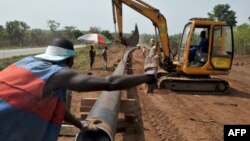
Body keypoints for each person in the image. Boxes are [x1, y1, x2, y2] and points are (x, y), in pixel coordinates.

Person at [0, 37, 158, 141]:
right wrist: (147, 77)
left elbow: (54, 108)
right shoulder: (58, 74)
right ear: (69, 60)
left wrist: (80, 124)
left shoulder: (25, 63)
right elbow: (110, 83)